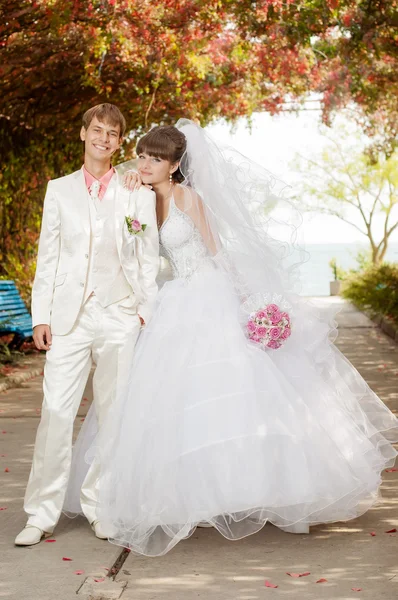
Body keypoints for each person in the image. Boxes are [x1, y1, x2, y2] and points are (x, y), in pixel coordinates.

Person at [66, 119, 398, 557]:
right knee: (168, 399)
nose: (144, 163)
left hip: (208, 295)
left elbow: (216, 251)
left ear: (175, 164)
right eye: (142, 155)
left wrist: (250, 303)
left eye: (155, 158)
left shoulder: (188, 198)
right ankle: (189, 494)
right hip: (172, 299)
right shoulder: (139, 197)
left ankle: (266, 491)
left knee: (236, 392)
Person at [15, 104, 159, 546]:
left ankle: (101, 506)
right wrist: (40, 316)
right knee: (56, 413)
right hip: (68, 319)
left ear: (120, 142)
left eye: (113, 134)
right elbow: (49, 256)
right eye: (97, 130)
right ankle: (40, 514)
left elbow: (148, 252)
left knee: (114, 417)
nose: (104, 138)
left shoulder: (137, 192)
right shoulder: (58, 190)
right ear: (83, 134)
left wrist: (141, 311)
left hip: (119, 313)